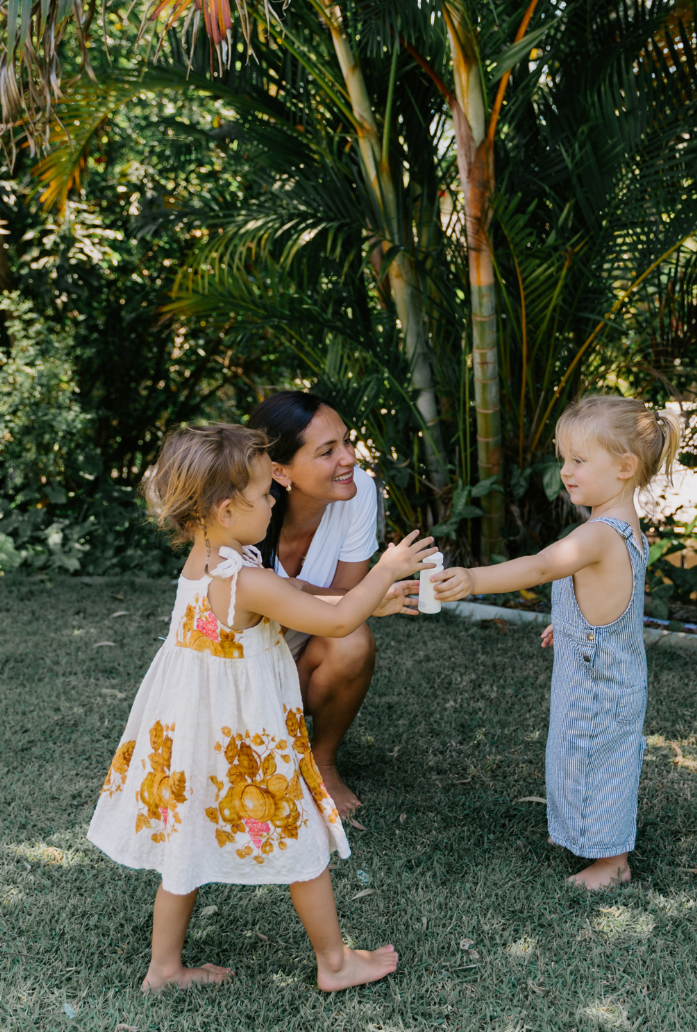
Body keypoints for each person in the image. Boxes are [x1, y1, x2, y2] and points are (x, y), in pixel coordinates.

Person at [87, 423, 436, 991]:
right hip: (245, 742)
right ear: (227, 509)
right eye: (263, 493)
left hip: (194, 733)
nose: (275, 500)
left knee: (187, 845)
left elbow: (298, 596)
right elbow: (337, 623)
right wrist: (384, 572)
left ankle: (165, 969)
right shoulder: (244, 577)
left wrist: (369, 599)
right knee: (303, 838)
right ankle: (335, 963)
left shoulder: (210, 562)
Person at [433, 396, 680, 889]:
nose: (565, 471)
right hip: (607, 670)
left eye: (579, 461)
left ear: (625, 467)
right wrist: (566, 622)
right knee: (581, 756)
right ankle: (589, 838)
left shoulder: (599, 535)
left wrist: (472, 578)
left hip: (597, 684)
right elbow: (610, 603)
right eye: (564, 458)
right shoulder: (625, 528)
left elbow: (543, 565)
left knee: (592, 760)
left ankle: (611, 865)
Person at [247, 391, 407, 819]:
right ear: (279, 471)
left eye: (347, 442)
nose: (349, 458)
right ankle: (268, 743)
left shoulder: (357, 492)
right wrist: (370, 591)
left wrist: (311, 591)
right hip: (242, 667)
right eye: (328, 451)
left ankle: (322, 760)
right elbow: (250, 614)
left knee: (352, 638)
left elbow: (346, 609)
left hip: (302, 650)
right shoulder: (242, 511)